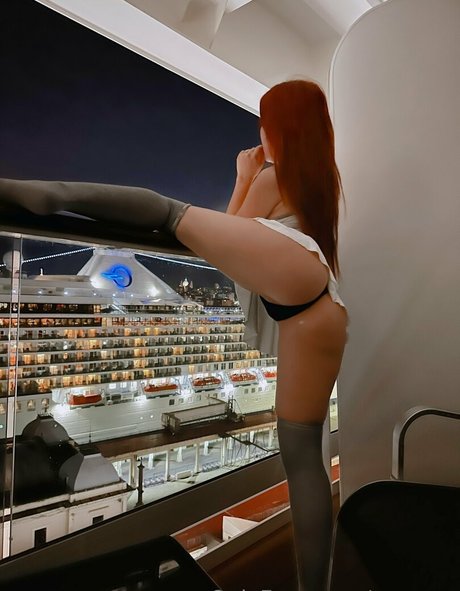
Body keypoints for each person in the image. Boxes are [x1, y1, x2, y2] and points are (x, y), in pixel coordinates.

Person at [0, 79, 347, 591]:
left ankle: (50, 195)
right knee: (304, 459)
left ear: (278, 130)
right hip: (320, 313)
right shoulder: (322, 180)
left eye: (264, 124)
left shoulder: (274, 176)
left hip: (299, 302)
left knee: (167, 211)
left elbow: (223, 237)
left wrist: (243, 176)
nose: (259, 134)